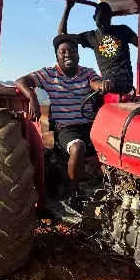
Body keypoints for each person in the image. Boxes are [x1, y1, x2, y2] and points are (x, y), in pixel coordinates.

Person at [15, 34, 112, 211]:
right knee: (78, 148)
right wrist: (32, 97)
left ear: (78, 55)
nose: (68, 55)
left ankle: (112, 190)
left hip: (89, 125)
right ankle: (73, 196)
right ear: (57, 55)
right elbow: (21, 81)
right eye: (63, 52)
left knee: (114, 142)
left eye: (72, 51)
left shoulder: (87, 73)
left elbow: (96, 83)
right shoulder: (48, 74)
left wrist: (102, 85)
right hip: (66, 129)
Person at [58, 0, 140, 94]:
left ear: (111, 17)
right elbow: (62, 37)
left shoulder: (123, 30)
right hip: (105, 78)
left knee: (103, 86)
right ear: (94, 18)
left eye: (106, 18)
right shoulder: (91, 36)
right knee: (84, 90)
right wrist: (67, 8)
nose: (103, 22)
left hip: (123, 78)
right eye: (101, 18)